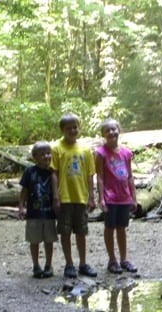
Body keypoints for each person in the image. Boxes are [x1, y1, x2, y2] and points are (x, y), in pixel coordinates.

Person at [51, 113, 97, 279]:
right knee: (65, 232)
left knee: (81, 231)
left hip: (81, 197)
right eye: (69, 128)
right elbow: (54, 173)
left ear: (79, 128)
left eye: (75, 127)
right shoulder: (56, 148)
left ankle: (83, 263)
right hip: (65, 197)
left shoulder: (85, 150)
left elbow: (90, 175)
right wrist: (55, 196)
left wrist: (91, 197)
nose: (72, 130)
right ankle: (69, 263)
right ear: (62, 130)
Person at [95, 118, 138, 274]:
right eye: (107, 130)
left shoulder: (126, 153)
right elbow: (99, 176)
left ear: (119, 130)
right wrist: (101, 198)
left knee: (122, 228)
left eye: (114, 129)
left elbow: (130, 176)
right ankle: (112, 260)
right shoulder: (100, 153)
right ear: (103, 135)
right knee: (109, 227)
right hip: (110, 197)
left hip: (124, 197)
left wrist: (134, 197)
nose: (111, 132)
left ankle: (124, 259)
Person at [19, 141, 57, 278]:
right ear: (35, 157)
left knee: (49, 240)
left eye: (48, 153)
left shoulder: (53, 172)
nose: (46, 156)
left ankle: (48, 264)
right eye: (42, 154)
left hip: (49, 213)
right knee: (34, 241)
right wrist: (21, 207)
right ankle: (36, 265)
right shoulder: (30, 172)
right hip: (33, 213)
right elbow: (24, 191)